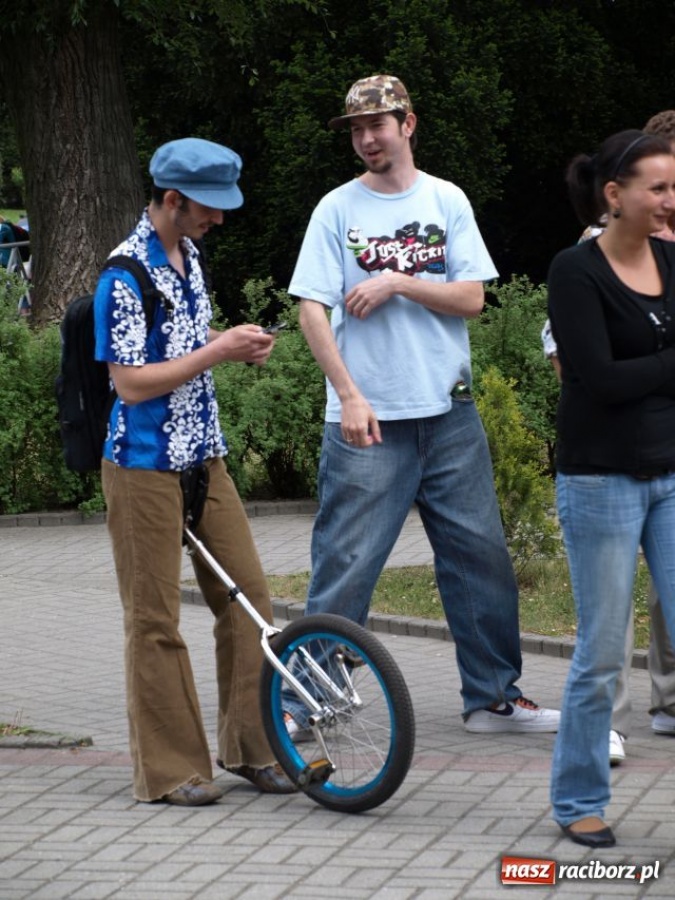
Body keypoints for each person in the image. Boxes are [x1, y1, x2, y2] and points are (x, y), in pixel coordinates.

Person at [286, 74, 560, 736]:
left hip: (447, 413)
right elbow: (309, 310)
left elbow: (471, 297)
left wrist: (397, 282)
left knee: (479, 559)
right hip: (367, 421)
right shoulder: (336, 210)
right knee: (345, 567)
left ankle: (492, 698)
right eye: (355, 129)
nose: (366, 138)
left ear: (408, 124)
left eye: (377, 124)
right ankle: (302, 704)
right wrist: (347, 395)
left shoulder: (446, 200)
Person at [94, 137, 296, 806]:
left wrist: (231, 346)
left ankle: (254, 747)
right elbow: (129, 383)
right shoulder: (123, 275)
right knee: (154, 621)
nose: (220, 219)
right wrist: (218, 353)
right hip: (143, 467)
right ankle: (173, 769)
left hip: (203, 458)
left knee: (250, 602)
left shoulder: (192, 256)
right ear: (173, 201)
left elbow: (186, 351)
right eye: (210, 208)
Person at [548, 128, 675, 847]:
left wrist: (649, 368)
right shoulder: (575, 271)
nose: (667, 201)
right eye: (655, 188)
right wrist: (665, 365)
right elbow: (595, 378)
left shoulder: (670, 259)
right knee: (601, 651)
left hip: (669, 473)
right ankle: (577, 802)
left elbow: (629, 376)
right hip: (600, 480)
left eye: (670, 188)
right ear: (614, 195)